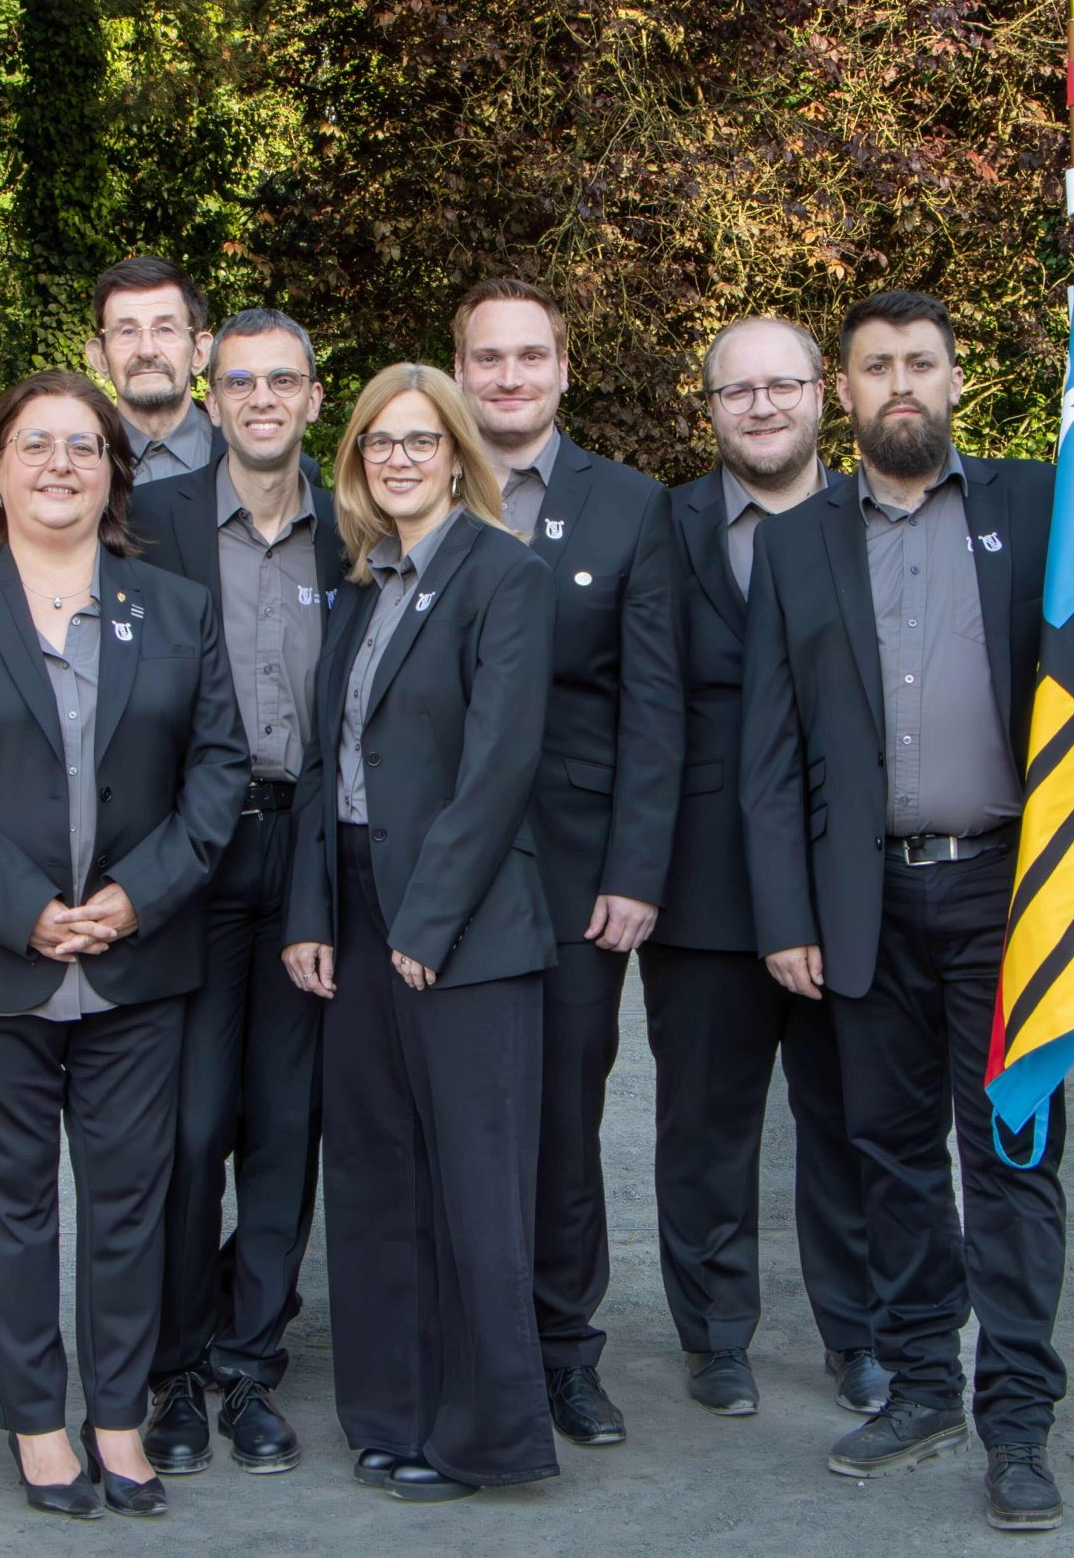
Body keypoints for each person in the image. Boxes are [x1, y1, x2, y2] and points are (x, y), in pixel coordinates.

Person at [0, 368, 250, 1519]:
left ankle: (119, 1420)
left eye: (83, 446)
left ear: (111, 474)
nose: (59, 465)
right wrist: (18, 904)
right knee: (8, 1207)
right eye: (34, 444)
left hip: (138, 959)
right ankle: (37, 1424)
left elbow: (218, 771)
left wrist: (140, 895)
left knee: (131, 1203)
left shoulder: (176, 608)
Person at [738, 291, 1068, 1534]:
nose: (899, 385)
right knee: (889, 1160)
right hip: (862, 899)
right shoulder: (795, 545)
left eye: (920, 363)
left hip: (1010, 896)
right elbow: (768, 753)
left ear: (955, 378)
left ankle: (1018, 1419)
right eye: (875, 366)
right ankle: (923, 1386)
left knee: (1013, 1159)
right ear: (844, 390)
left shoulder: (1040, 508)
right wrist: (787, 915)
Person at [280, 363, 558, 1503]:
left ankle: (483, 1436)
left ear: (456, 455)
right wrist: (312, 912)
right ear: (356, 461)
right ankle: (389, 1415)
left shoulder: (507, 575)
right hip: (353, 909)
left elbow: (499, 766)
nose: (397, 459)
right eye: (377, 443)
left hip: (463, 923)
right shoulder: (359, 585)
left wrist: (428, 919)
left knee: (473, 1192)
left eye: (419, 441)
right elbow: (324, 762)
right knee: (374, 1176)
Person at [450, 276, 683, 1444]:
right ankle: (464, 1341)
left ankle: (560, 1351)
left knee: (558, 1117)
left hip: (575, 875)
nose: (508, 376)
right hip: (438, 868)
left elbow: (655, 705)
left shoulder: (630, 506)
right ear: (458, 372)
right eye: (487, 358)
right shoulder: (411, 486)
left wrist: (635, 871)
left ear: (562, 371)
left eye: (529, 356)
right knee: (450, 1109)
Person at [641, 316, 883, 1419]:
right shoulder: (664, 523)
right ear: (710, 409)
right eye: (737, 391)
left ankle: (860, 1334)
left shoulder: (875, 519)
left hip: (845, 878)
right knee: (704, 1129)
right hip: (702, 884)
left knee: (847, 1121)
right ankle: (714, 1335)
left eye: (782, 385)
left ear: (821, 395)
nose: (762, 406)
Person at [132, 307, 343, 1476]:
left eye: (284, 380)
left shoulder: (354, 526)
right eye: (242, 381)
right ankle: (172, 1367)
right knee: (189, 1122)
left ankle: (251, 1362)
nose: (263, 398)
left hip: (309, 854)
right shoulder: (149, 519)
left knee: (282, 1124)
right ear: (212, 400)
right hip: (190, 856)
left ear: (314, 396)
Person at [85, 255, 219, 483]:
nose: (147, 350)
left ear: (199, 352)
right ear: (100, 358)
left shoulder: (246, 453)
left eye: (165, 329)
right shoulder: (76, 463)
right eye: (127, 331)